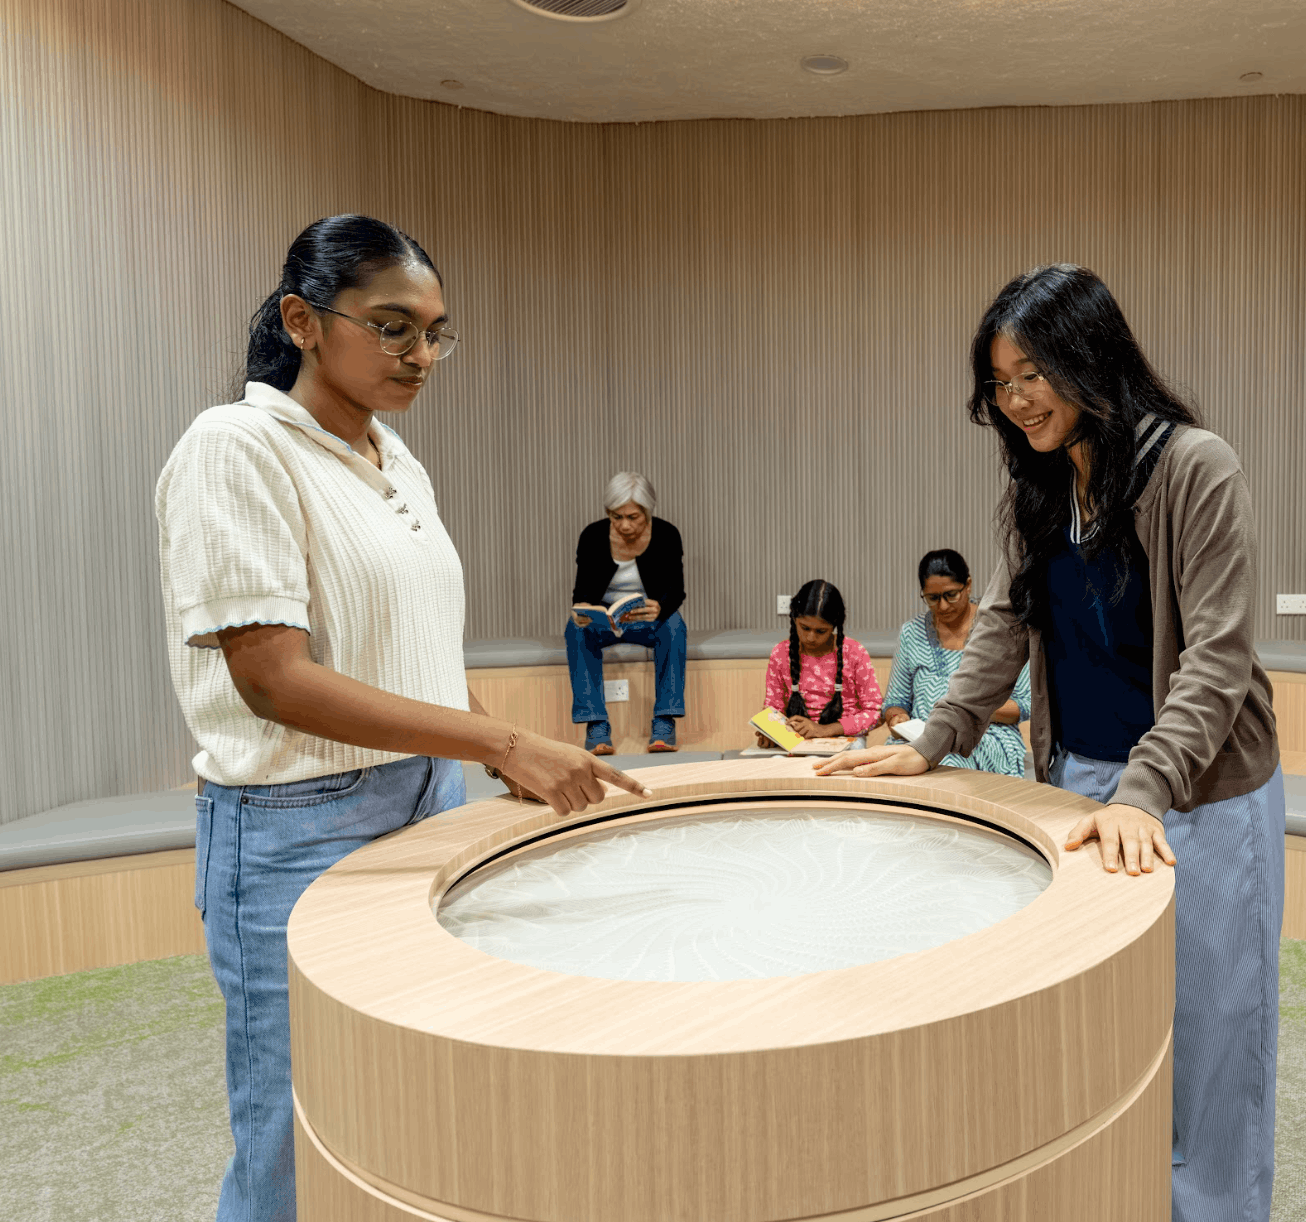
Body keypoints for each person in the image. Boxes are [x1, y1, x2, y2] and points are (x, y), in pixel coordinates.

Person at [157, 215, 647, 1222]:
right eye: (392, 327)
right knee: (294, 1136)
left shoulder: (397, 459)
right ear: (303, 319)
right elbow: (274, 680)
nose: (421, 354)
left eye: (435, 332)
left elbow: (419, 647)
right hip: (297, 825)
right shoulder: (235, 447)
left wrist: (492, 749)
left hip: (427, 794)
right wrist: (501, 740)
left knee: (414, 1101)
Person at [819, 264, 1283, 1222]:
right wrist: (934, 734)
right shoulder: (1039, 487)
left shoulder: (1194, 465)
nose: (1017, 400)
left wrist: (1142, 793)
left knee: (1211, 1038)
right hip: (1082, 786)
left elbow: (1217, 657)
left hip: (1197, 794)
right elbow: (1000, 627)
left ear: (1090, 358)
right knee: (1110, 1025)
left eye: (1033, 373)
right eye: (1001, 382)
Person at [882, 548, 1032, 776]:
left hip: (983, 737)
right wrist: (897, 718)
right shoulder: (912, 633)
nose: (942, 606)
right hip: (921, 735)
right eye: (933, 598)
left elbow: (1025, 704)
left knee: (948, 765)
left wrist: (967, 710)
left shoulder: (997, 629)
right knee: (888, 765)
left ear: (968, 585)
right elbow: (896, 700)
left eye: (951, 595)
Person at [567, 472, 687, 754]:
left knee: (674, 626)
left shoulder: (667, 534)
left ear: (647, 510)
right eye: (616, 517)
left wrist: (661, 606)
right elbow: (581, 591)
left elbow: (677, 590)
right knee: (575, 630)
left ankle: (664, 722)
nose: (625, 525)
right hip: (605, 621)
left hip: (646, 619)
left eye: (633, 517)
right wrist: (583, 609)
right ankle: (596, 725)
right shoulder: (592, 536)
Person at [761, 579, 883, 743]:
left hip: (845, 740)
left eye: (821, 631)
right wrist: (769, 731)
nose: (811, 637)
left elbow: (874, 713)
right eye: (805, 628)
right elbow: (773, 708)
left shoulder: (854, 652)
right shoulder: (780, 653)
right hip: (796, 740)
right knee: (775, 764)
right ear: (794, 619)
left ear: (834, 626)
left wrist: (824, 730)